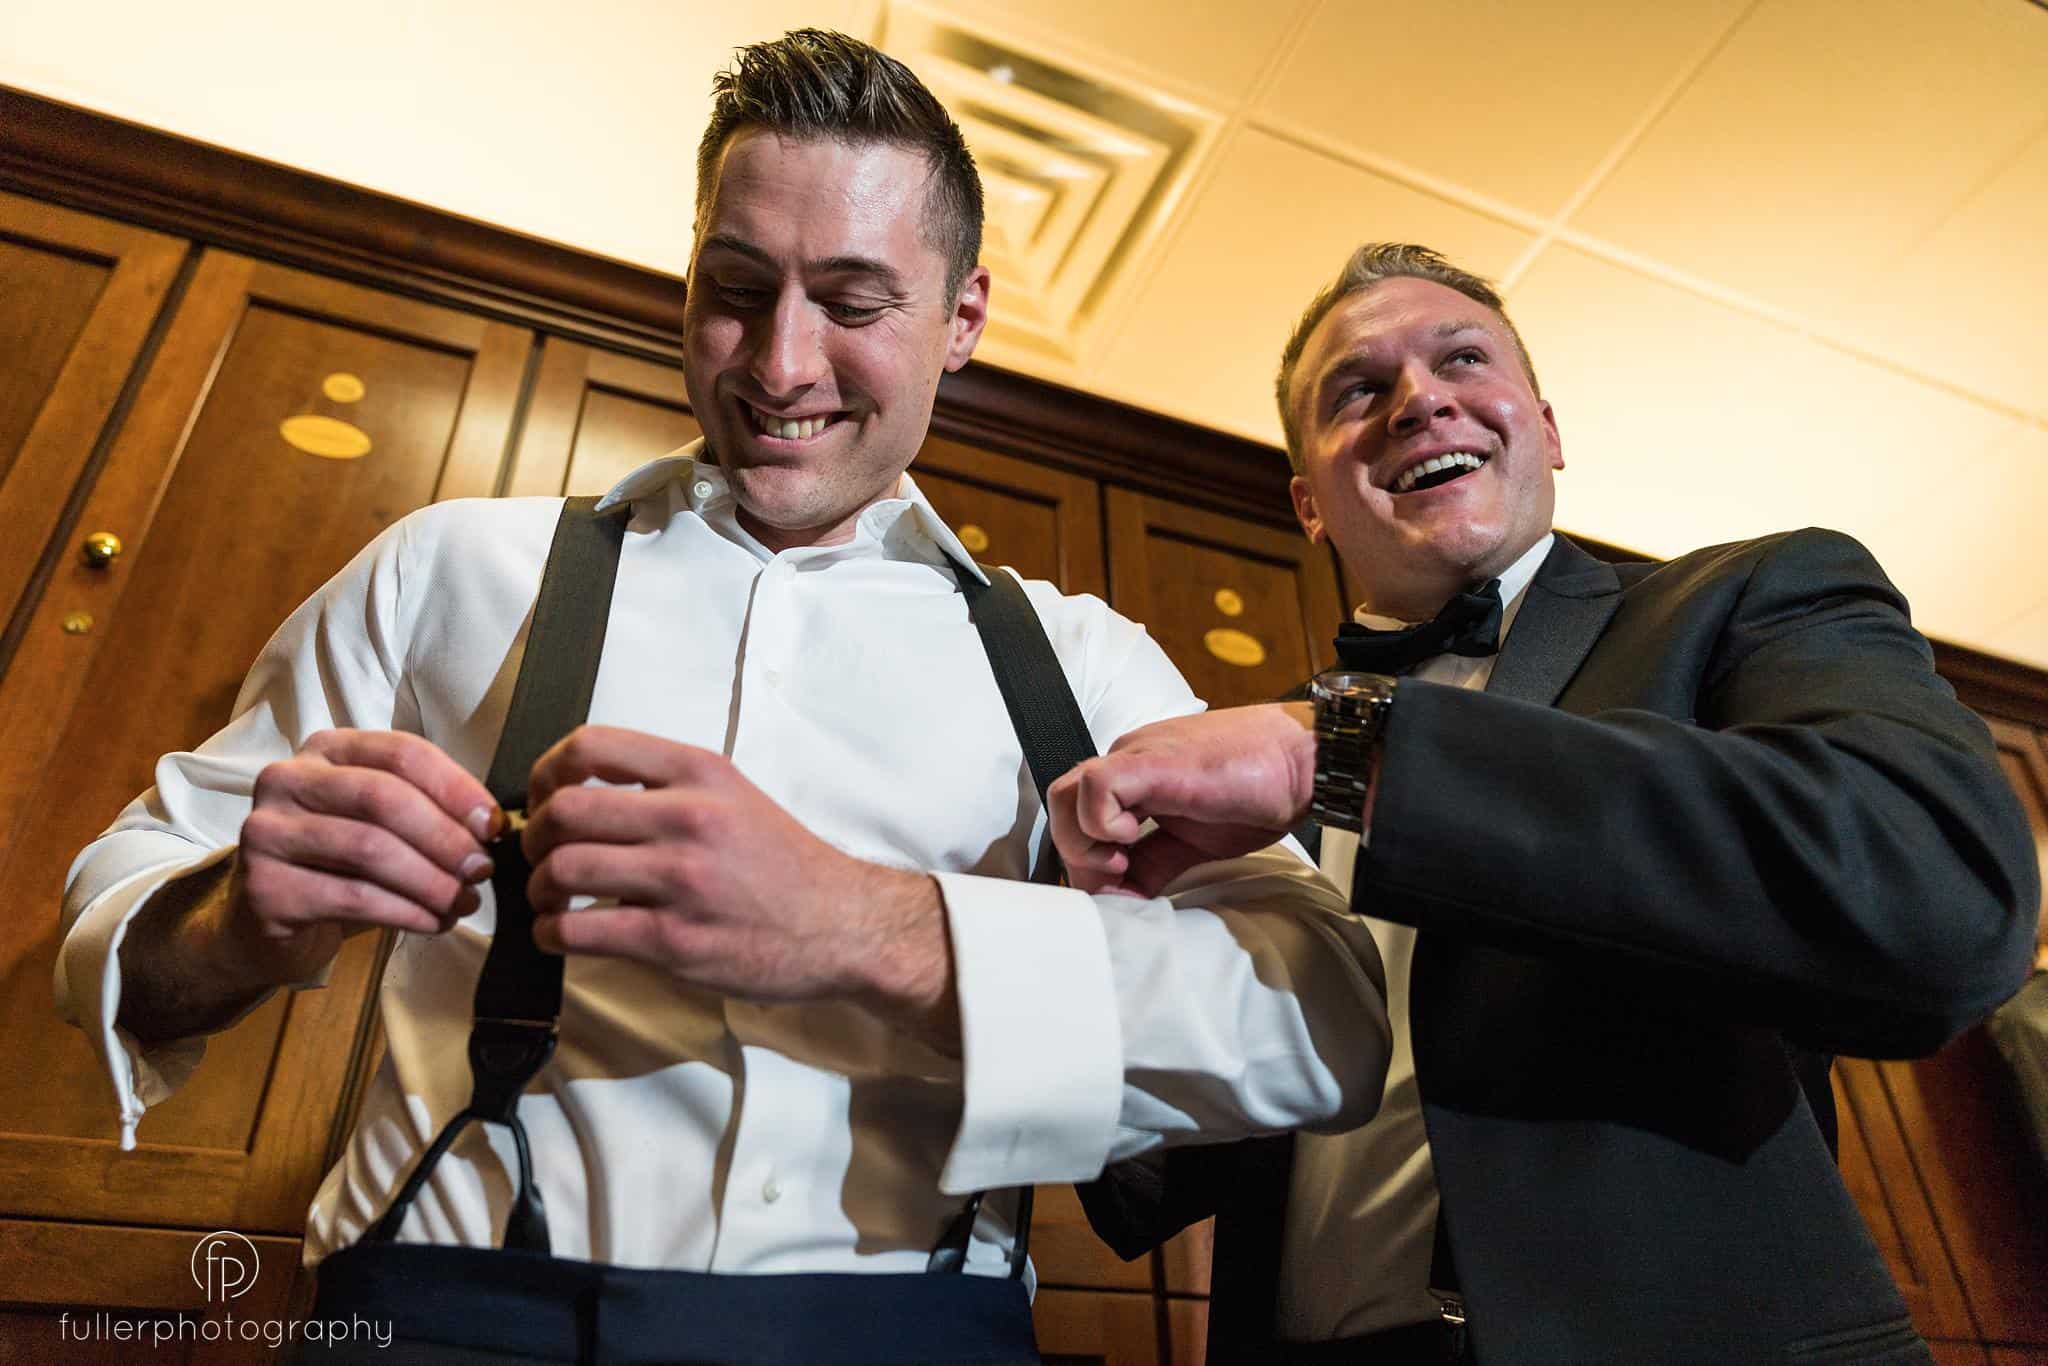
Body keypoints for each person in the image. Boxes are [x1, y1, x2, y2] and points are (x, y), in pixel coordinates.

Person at [53, 33, 1389, 1365]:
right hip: (447, 1321)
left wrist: (870, 927)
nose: (780, 364)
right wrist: (236, 919)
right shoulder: (450, 570)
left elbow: (1324, 1017)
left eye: (853, 303)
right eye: (738, 289)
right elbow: (122, 916)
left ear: (963, 318)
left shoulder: (1080, 663)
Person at [1055, 244, 2039, 1364]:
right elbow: (1149, 1172)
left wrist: (1356, 755)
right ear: (1308, 504)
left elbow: (1937, 891)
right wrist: (1079, 953)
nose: (1419, 400)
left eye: (1461, 359)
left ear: (1549, 429)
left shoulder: (1754, 596)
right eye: (1357, 390)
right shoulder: (1242, 782)